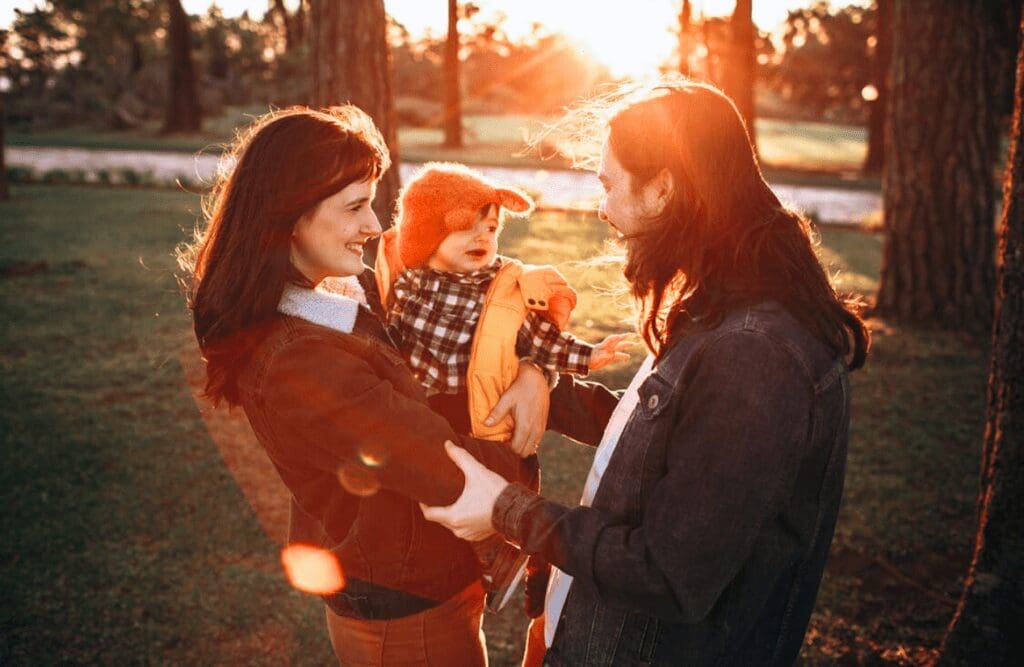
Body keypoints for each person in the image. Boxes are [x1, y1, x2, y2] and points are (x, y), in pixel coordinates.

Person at [421, 79, 870, 666]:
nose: (602, 209)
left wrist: (506, 509)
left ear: (664, 188)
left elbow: (667, 574)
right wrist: (540, 380)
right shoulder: (730, 305)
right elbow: (674, 444)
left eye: (609, 185)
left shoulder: (754, 355)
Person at [180, 105, 554, 666]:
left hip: (425, 577)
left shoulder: (339, 297)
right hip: (404, 608)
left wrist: (533, 371)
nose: (375, 227)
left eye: (372, 204)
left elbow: (464, 348)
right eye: (355, 206)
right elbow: (439, 464)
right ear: (289, 217)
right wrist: (528, 465)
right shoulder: (298, 358)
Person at [376, 162, 632, 612]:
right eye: (466, 227)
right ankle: (504, 558)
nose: (483, 237)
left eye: (492, 228)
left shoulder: (502, 289)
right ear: (426, 236)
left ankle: (518, 556)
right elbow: (387, 339)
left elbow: (542, 340)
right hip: (433, 409)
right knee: (443, 487)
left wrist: (589, 356)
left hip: (488, 399)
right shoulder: (405, 285)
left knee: (498, 478)